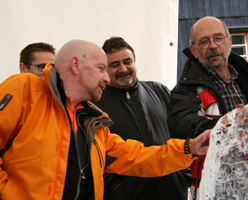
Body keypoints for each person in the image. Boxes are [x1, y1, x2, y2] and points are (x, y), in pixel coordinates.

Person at [0, 39, 211, 200]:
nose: (107, 78)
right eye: (102, 68)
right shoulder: (26, 89)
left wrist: (190, 148)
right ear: (75, 65)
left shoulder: (93, 123)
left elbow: (136, 156)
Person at [168, 16, 248, 199]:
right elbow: (182, 124)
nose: (212, 45)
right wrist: (229, 126)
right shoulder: (184, 91)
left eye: (218, 38)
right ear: (194, 51)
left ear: (229, 42)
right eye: (204, 41)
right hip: (216, 188)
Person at [93, 37, 191, 200]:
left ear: (135, 62)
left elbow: (181, 130)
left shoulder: (159, 90)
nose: (123, 69)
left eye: (127, 61)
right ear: (105, 69)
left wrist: (183, 174)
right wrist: (115, 188)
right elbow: (96, 152)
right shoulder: (95, 103)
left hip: (173, 190)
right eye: (115, 65)